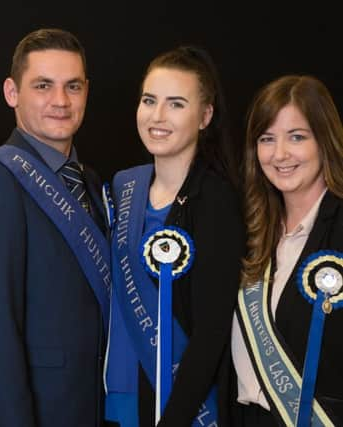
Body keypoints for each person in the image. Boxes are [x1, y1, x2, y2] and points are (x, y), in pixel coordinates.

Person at [0, 28, 110, 427]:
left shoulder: (91, 182)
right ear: (12, 92)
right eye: (43, 86)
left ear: (86, 92)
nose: (60, 101)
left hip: (93, 405)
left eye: (72, 86)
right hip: (33, 409)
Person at [104, 46, 245, 426]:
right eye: (149, 100)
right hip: (116, 397)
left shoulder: (215, 200)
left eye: (177, 104)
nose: (158, 116)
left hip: (180, 408)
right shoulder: (123, 187)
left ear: (205, 115)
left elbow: (212, 332)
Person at [231, 75, 343, 426]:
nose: (279, 154)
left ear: (324, 141)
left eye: (296, 137)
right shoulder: (247, 231)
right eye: (267, 139)